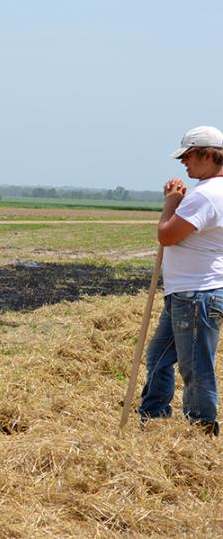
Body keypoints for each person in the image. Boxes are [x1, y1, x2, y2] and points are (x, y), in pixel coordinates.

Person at [139, 126, 223, 435]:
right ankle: (153, 420)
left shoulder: (207, 196)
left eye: (188, 156)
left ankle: (200, 431)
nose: (183, 163)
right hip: (186, 293)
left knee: (196, 368)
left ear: (209, 155)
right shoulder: (210, 193)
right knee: (158, 356)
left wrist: (171, 202)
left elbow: (167, 235)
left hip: (196, 295)